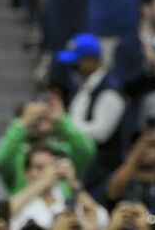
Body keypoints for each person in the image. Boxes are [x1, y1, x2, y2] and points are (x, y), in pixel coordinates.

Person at [57, 33, 126, 195]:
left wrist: (65, 126)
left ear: (91, 60)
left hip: (104, 176)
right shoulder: (84, 87)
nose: (73, 67)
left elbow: (100, 132)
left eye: (77, 62)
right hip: (86, 172)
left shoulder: (110, 90)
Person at [0, 91, 96, 195]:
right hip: (25, 209)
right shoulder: (17, 155)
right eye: (36, 115)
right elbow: (1, 161)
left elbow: (86, 151)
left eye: (45, 114)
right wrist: (23, 124)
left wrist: (62, 121)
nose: (41, 118)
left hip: (62, 209)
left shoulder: (62, 152)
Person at [8, 144, 109, 230]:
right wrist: (44, 181)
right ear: (27, 173)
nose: (48, 171)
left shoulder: (67, 201)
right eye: (39, 167)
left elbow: (101, 218)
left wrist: (72, 182)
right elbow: (3, 214)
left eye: (51, 166)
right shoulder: (21, 203)